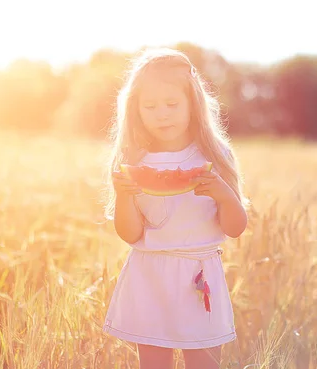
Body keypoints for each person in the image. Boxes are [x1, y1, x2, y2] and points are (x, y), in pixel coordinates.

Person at [101, 47, 249, 369]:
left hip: (199, 275)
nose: (161, 114)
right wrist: (124, 195)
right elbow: (130, 234)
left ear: (193, 104)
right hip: (149, 274)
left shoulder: (214, 155)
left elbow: (235, 228)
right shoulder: (132, 161)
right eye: (150, 106)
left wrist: (225, 196)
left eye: (171, 104)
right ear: (135, 109)